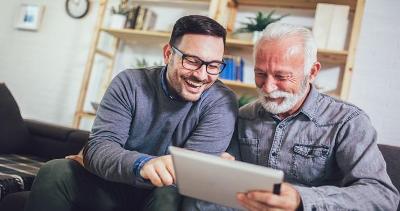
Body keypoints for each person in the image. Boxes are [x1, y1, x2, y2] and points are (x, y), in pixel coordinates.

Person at [24, 15, 238, 211]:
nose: (202, 75)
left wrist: (107, 160)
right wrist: (143, 164)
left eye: (213, 65)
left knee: (169, 193)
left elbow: (189, 173)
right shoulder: (130, 83)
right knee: (55, 171)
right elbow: (99, 148)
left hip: (164, 194)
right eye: (192, 61)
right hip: (112, 186)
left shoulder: (221, 102)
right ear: (168, 54)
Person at [184, 23, 399, 210]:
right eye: (260, 74)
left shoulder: (348, 122)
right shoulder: (243, 117)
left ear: (312, 72)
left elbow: (382, 196)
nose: (268, 87)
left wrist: (300, 200)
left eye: (281, 76)